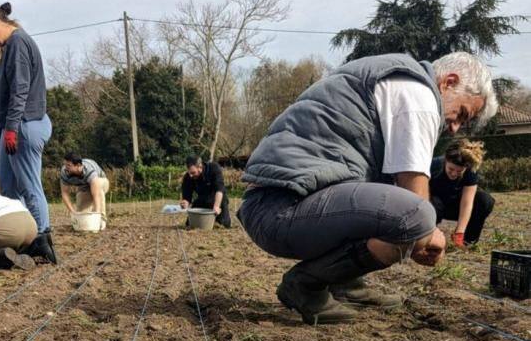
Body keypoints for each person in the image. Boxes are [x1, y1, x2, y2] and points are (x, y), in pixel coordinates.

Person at [238, 52, 498, 325]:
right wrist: (428, 235)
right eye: (462, 114)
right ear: (449, 82)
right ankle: (304, 284)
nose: (455, 128)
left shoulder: (392, 80)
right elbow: (413, 194)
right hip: (279, 209)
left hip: (274, 204)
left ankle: (347, 284)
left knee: (386, 205)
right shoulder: (418, 94)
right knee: (417, 217)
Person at [0, 1, 56, 264]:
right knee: (8, 187)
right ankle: (20, 234)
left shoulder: (18, 43)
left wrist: (11, 129)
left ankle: (42, 239)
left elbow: (20, 89)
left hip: (24, 126)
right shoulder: (8, 47)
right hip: (13, 127)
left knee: (30, 186)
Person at [429, 139, 494, 247]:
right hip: (435, 206)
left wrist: (459, 232)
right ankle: (427, 236)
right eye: (451, 169)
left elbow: (467, 203)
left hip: (456, 207)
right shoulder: (433, 166)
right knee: (433, 203)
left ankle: (467, 241)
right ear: (446, 161)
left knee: (485, 200)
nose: (454, 174)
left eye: (459, 171)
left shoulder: (471, 170)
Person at [60, 153, 109, 228]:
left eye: (69, 165)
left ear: (78, 165)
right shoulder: (64, 172)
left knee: (98, 187)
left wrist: (97, 214)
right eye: (65, 164)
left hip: (101, 182)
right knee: (81, 214)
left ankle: (101, 219)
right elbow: (65, 193)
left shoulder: (89, 170)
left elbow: (96, 195)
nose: (66, 167)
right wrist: (73, 212)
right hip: (84, 187)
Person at [180, 155, 231, 228]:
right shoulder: (188, 177)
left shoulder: (214, 168)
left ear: (200, 167)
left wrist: (216, 206)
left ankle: (217, 220)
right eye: (189, 173)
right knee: (190, 224)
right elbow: (187, 196)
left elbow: (219, 189)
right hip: (202, 199)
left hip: (217, 199)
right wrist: (185, 203)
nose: (191, 175)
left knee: (225, 224)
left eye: (193, 172)